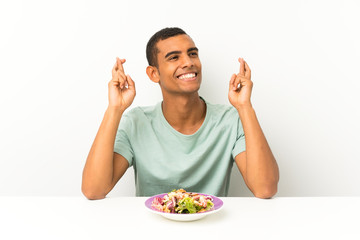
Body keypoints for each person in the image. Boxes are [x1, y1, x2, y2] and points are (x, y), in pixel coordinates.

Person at [81, 27, 279, 199]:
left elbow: (265, 189)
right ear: (154, 74)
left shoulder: (230, 120)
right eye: (174, 57)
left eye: (193, 54)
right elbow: (93, 190)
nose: (188, 62)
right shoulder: (136, 122)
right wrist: (115, 108)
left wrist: (245, 106)